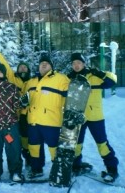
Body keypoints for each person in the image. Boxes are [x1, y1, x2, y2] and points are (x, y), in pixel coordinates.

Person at [68, 52, 119, 182]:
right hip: (78, 117)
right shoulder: (69, 78)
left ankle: (112, 169)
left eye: (79, 62)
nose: (76, 65)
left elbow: (112, 81)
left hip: (95, 117)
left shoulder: (94, 76)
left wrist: (101, 73)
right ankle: (76, 165)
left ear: (84, 63)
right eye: (74, 63)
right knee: (76, 144)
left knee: (102, 143)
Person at [0, 38, 34, 166]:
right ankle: (15, 163)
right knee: (13, 141)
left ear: (29, 70)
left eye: (25, 67)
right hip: (14, 117)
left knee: (28, 141)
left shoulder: (34, 81)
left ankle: (29, 162)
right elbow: (4, 65)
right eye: (21, 67)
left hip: (30, 117)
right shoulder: (13, 78)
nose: (23, 69)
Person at [24, 54, 69, 178]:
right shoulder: (31, 81)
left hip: (51, 121)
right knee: (34, 147)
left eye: (47, 63)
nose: (44, 64)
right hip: (33, 121)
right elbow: (24, 100)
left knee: (54, 148)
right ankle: (36, 169)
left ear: (51, 66)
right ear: (38, 67)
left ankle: (59, 171)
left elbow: (71, 96)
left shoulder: (60, 78)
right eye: (41, 63)